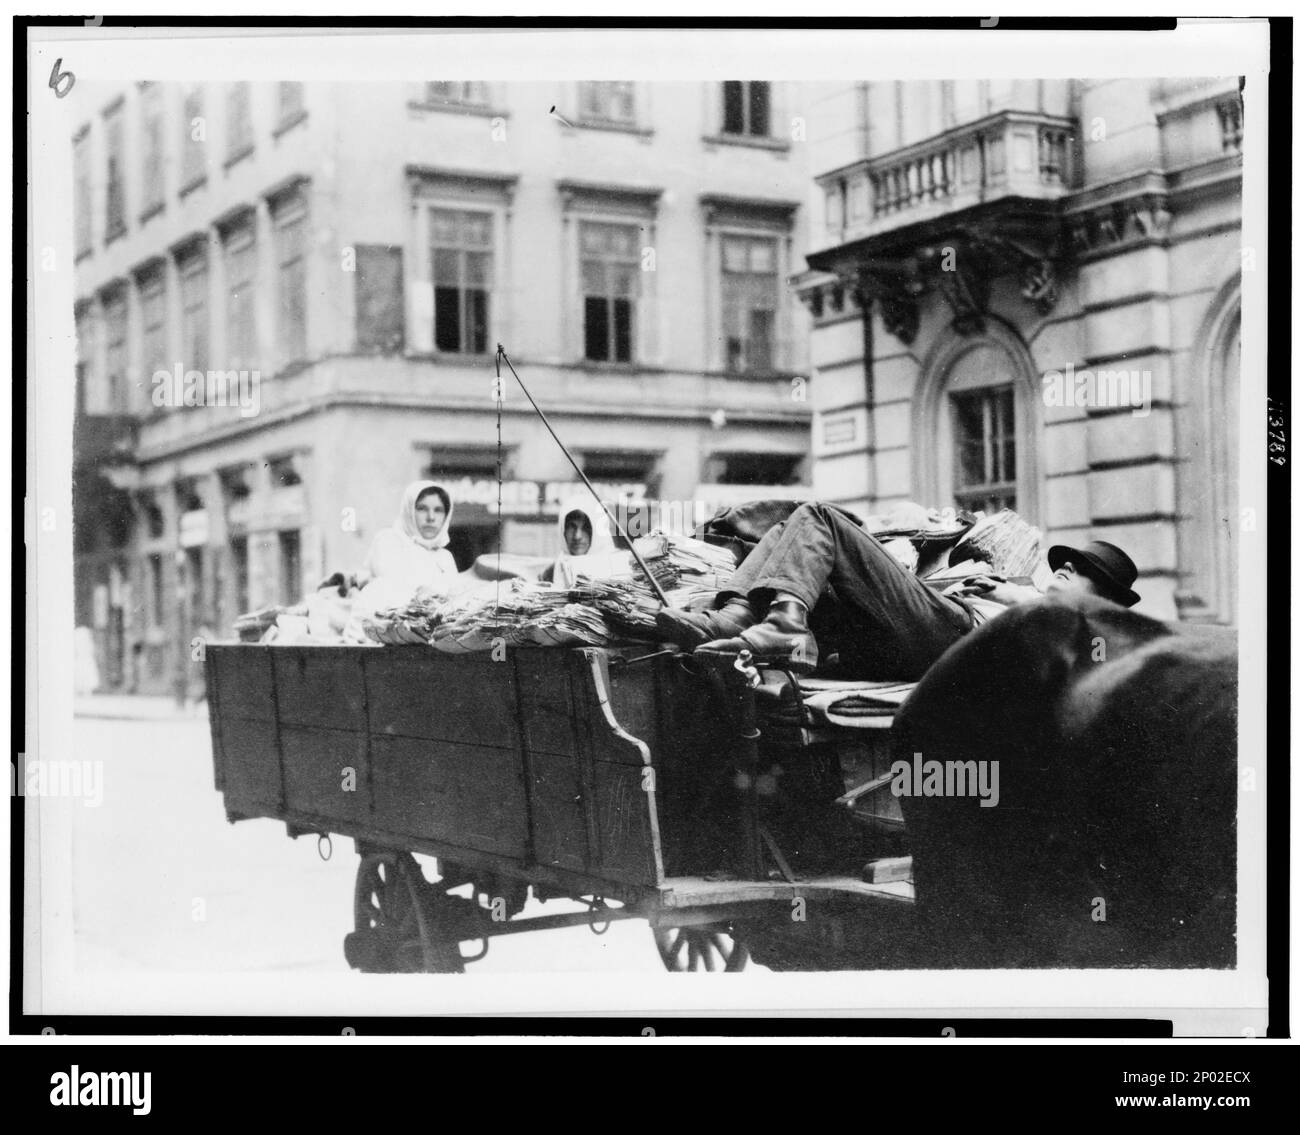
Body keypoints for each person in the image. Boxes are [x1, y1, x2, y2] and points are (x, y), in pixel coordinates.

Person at [657, 501, 1141, 680]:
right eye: (1067, 563)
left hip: (952, 642)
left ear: (1099, 598)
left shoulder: (1089, 629)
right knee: (791, 527)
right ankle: (740, 615)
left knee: (820, 517)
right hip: (904, 643)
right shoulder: (1025, 592)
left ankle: (782, 623)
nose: (1064, 570)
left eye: (1078, 572)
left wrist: (1019, 600)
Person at [343, 481, 459, 639]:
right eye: (422, 508)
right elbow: (394, 590)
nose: (431, 517)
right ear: (409, 510)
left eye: (438, 510)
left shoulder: (445, 558)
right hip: (383, 636)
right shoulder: (389, 540)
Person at [541, 498, 631, 588]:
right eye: (572, 527)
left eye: (585, 528)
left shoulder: (618, 567)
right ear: (563, 530)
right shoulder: (552, 572)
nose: (577, 536)